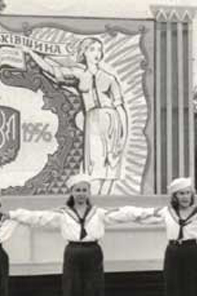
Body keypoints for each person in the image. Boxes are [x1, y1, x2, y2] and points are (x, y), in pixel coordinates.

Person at [8, 174, 152, 296]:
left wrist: (147, 212)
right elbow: (40, 217)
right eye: (77, 190)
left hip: (93, 251)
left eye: (84, 190)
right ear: (71, 192)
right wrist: (13, 214)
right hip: (73, 251)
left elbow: (122, 214)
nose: (81, 193)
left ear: (89, 192)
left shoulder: (98, 213)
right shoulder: (64, 213)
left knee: (94, 289)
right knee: (72, 289)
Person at [26, 38, 128, 195]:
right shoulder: (79, 74)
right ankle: (95, 202)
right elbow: (52, 70)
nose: (96, 53)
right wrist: (31, 53)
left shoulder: (110, 78)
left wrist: (123, 136)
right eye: (92, 49)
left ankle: (104, 201)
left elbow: (120, 108)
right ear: (84, 52)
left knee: (111, 169)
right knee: (94, 167)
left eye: (99, 49)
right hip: (92, 121)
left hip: (111, 120)